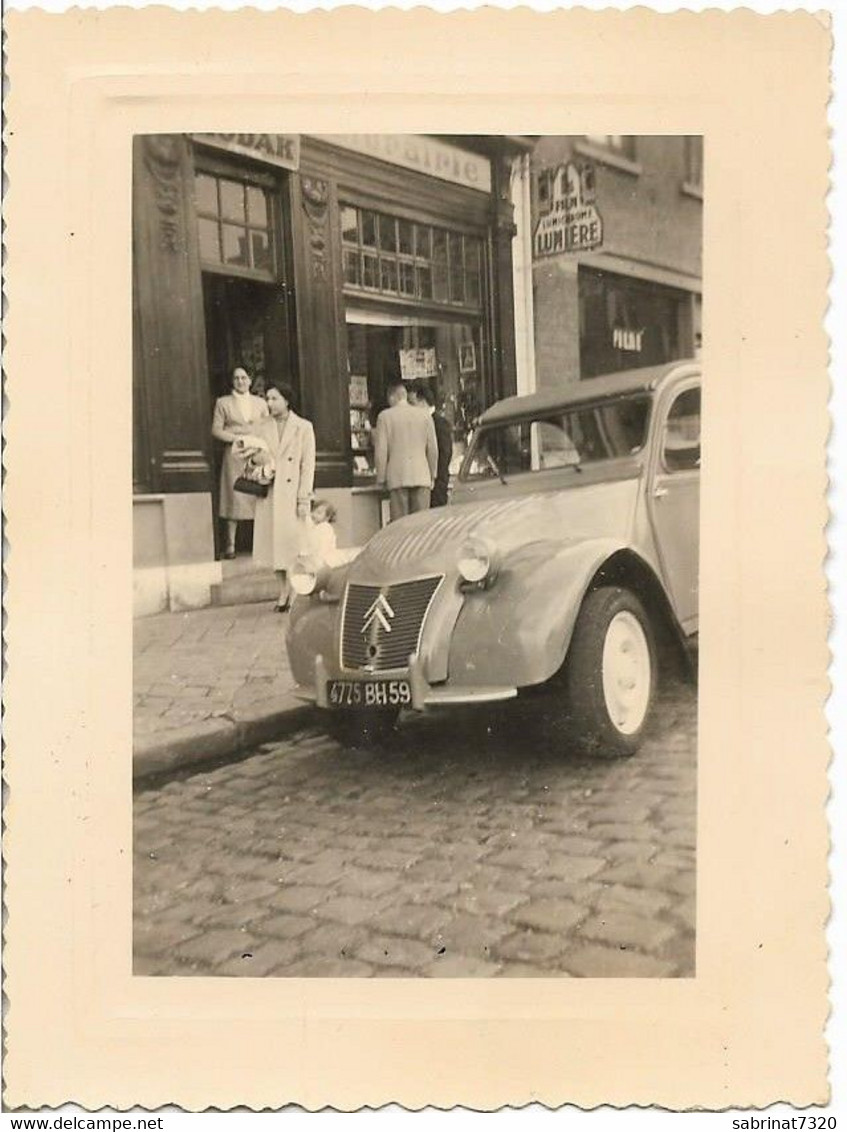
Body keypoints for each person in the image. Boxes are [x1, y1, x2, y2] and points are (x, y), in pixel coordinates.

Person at [252, 382, 316, 611]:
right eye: (267, 398)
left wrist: (303, 498)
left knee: (293, 544)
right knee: (274, 546)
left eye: (274, 398)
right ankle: (282, 589)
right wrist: (259, 465)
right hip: (270, 492)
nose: (269, 403)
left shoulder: (303, 427)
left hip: (291, 495)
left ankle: (294, 588)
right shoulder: (261, 427)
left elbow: (308, 465)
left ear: (286, 400)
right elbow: (251, 456)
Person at [211, 367, 269, 559]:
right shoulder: (223, 403)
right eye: (236, 378)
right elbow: (216, 430)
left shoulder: (260, 403)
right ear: (232, 381)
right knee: (233, 497)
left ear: (250, 381)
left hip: (256, 453)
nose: (240, 381)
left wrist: (258, 441)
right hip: (235, 454)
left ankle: (260, 545)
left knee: (257, 495)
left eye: (244, 378)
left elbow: (269, 427)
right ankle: (230, 546)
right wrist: (236, 438)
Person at [374, 378, 438, 521]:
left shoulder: (384, 417)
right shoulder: (425, 415)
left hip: (397, 477)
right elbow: (433, 448)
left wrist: (381, 478)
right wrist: (432, 474)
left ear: (392, 397)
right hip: (422, 475)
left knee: (401, 526)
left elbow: (381, 452)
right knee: (421, 523)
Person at [407, 381, 452, 507]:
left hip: (435, 487)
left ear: (422, 401)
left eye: (412, 403)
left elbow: (444, 454)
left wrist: (435, 479)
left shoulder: (439, 423)